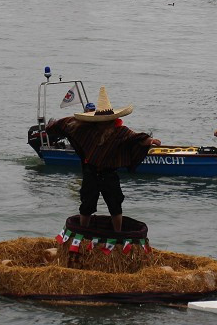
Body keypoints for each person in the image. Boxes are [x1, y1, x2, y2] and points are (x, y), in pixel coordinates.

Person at [44, 87, 160, 231]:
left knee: (115, 206)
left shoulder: (120, 131)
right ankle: (83, 233)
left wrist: (149, 141)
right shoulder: (85, 128)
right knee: (86, 206)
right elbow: (67, 124)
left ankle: (118, 234)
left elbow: (134, 138)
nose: (105, 123)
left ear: (112, 120)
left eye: (108, 121)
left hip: (109, 173)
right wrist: (51, 126)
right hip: (90, 172)